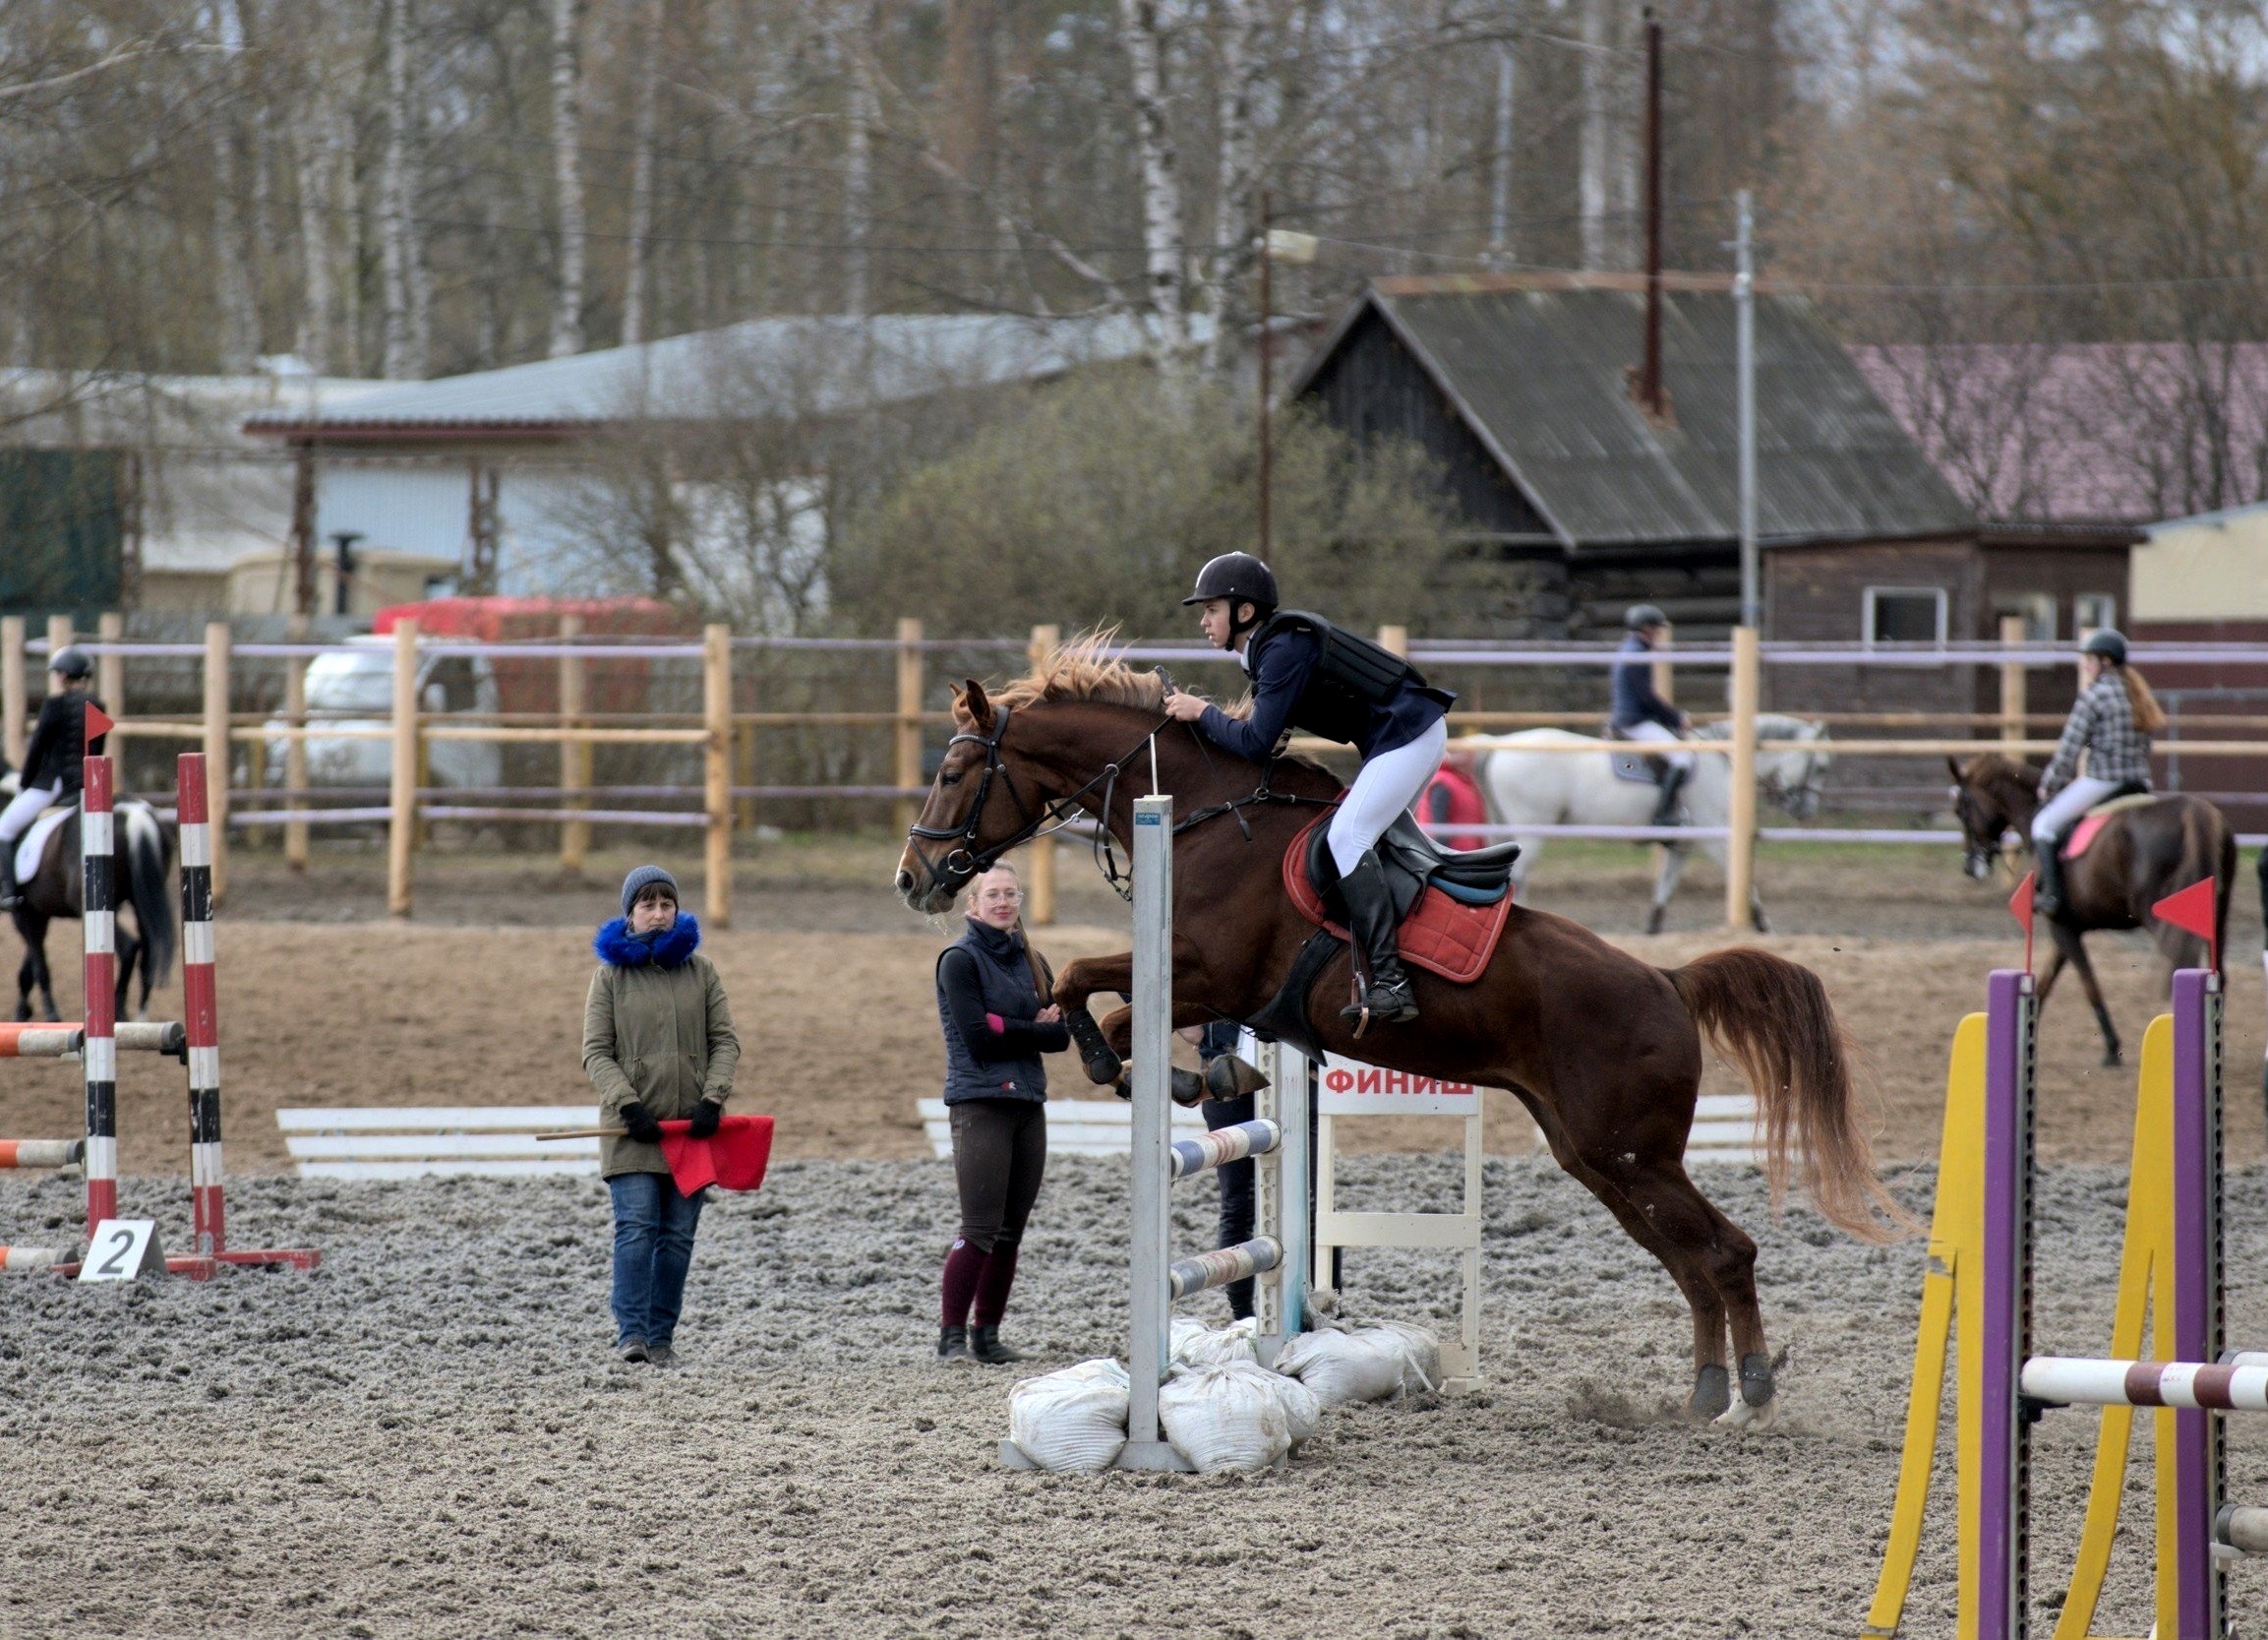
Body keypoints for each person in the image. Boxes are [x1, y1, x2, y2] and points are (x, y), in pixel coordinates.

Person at [1162, 553, 1456, 1026]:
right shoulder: (1267, 649)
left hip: (1408, 734)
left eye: (1211, 609)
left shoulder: (1281, 648)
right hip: (1404, 735)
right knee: (1371, 844)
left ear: (1244, 611)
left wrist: (1204, 712)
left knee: (1346, 838)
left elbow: (1256, 744)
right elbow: (1274, 730)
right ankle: (1388, 960)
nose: (1203, 620)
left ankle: (1391, 982)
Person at [583, 865, 740, 1366]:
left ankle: (661, 1337)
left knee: (676, 1236)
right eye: (647, 905)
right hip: (631, 1131)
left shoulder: (703, 971)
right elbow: (596, 1051)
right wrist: (628, 1105)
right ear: (629, 912)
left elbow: (726, 1042)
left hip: (691, 1132)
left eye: (665, 904)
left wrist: (713, 1099)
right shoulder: (608, 977)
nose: (657, 913)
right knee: (636, 1227)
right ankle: (631, 1334)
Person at [934, 860, 1068, 1365]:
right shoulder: (958, 960)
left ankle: (986, 1335)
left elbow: (1060, 1035)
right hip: (981, 1102)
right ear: (972, 904)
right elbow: (976, 1037)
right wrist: (1028, 1024)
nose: (1003, 902)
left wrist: (1007, 1023)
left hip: (1028, 1101)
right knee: (980, 1228)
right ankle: (951, 1337)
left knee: (1012, 1230)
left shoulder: (1034, 959)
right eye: (992, 894)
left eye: (1011, 894)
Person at [2031, 629, 2165, 918]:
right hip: (2139, 784)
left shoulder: (2094, 696)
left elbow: (2070, 749)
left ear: (2105, 661)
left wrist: (2049, 786)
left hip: (2103, 781)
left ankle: (2052, 896)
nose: (2086, 665)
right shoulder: (2138, 694)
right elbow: (2147, 743)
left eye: (2089, 659)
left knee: (2043, 824)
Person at [0, 646, 103, 911]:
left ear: (65, 675)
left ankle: (8, 891)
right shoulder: (99, 707)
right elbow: (96, 752)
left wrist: (24, 783)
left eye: (58, 673)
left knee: (4, 828)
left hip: (52, 784)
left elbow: (37, 749)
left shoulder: (54, 706)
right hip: (86, 787)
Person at [1610, 605, 1694, 827]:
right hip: (1634, 721)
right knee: (1683, 757)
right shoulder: (1638, 653)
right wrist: (1676, 718)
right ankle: (1663, 816)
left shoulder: (1629, 648)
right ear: (1646, 628)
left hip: (1631, 717)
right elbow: (1646, 697)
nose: (1658, 633)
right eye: (1656, 629)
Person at [1420, 747, 1489, 851]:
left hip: (1467, 855)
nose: (1472, 756)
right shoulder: (1443, 782)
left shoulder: (1466, 782)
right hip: (1453, 856)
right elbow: (1439, 827)